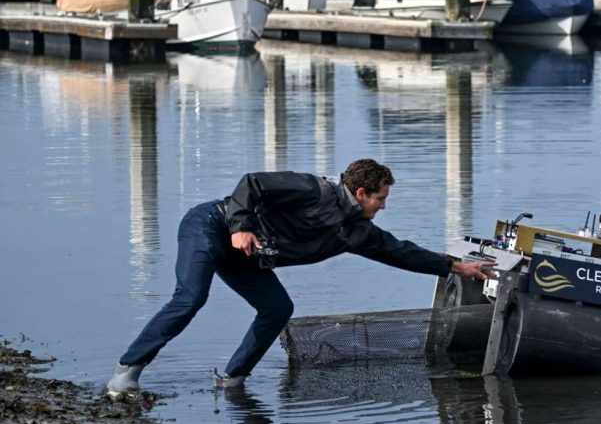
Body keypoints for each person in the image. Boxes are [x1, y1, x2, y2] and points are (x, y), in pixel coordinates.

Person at [106, 159, 495, 395]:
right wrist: (239, 225)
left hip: (249, 254)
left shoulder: (357, 231)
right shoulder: (314, 190)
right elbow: (252, 184)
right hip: (212, 226)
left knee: (277, 308)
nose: (384, 205)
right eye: (380, 198)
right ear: (361, 192)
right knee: (191, 298)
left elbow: (400, 251)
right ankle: (127, 373)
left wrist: (456, 266)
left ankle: (231, 380)